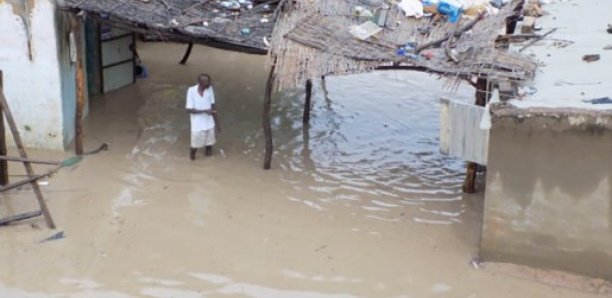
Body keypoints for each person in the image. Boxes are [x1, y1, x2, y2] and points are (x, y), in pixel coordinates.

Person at [186, 74, 221, 160]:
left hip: (209, 123)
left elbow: (213, 106)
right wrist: (204, 111)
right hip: (197, 125)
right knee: (194, 146)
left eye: (209, 81)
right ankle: (192, 161)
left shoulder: (209, 89)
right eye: (206, 82)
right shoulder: (191, 91)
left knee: (209, 145)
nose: (209, 83)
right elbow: (189, 109)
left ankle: (208, 163)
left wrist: (217, 123)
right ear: (200, 82)